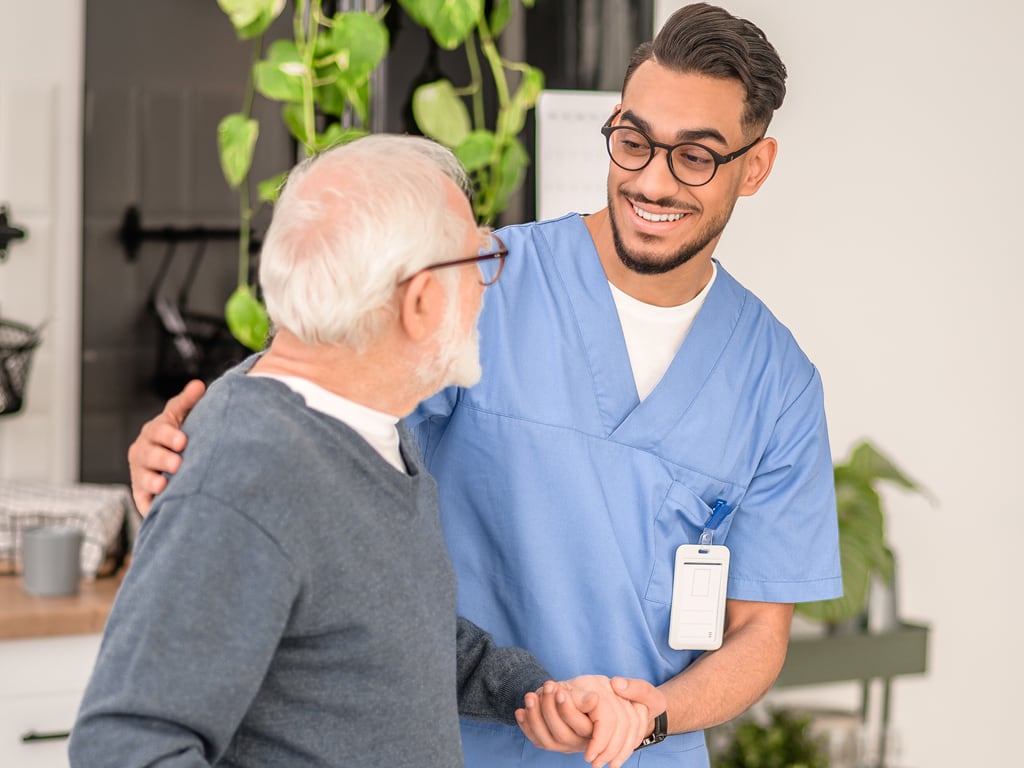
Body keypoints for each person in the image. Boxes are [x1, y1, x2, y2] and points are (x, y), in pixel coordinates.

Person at [127, 4, 842, 766]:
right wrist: (197, 449)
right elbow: (312, 397)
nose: (651, 180)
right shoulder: (479, 277)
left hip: (640, 751)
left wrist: (651, 714)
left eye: (695, 156)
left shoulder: (777, 383)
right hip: (453, 741)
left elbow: (758, 632)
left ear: (755, 166)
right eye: (634, 142)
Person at [72, 134, 664, 768]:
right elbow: (125, 747)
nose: (485, 288)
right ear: (421, 301)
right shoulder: (250, 473)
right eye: (477, 262)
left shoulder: (374, 431)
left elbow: (394, 632)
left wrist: (529, 691)